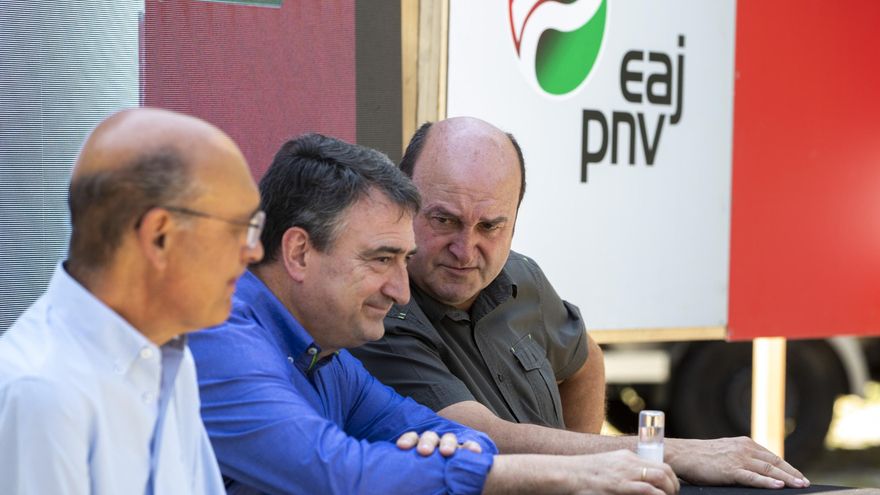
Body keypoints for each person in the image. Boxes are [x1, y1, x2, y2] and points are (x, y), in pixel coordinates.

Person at [188, 133, 680, 495]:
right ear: (299, 252)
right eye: (381, 259)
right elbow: (337, 473)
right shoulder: (220, 335)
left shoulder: (328, 359)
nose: (401, 291)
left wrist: (451, 456)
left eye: (403, 259)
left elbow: (455, 439)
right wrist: (571, 475)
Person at [350, 116, 811, 489]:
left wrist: (583, 475)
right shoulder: (381, 309)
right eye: (445, 220)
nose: (465, 249)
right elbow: (481, 438)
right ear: (405, 204)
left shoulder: (521, 275)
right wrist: (665, 452)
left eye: (490, 226)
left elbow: (585, 362)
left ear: (515, 220)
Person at [0, 107, 265, 494]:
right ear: (160, 235)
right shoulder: (42, 393)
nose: (254, 251)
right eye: (242, 228)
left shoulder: (171, 358)